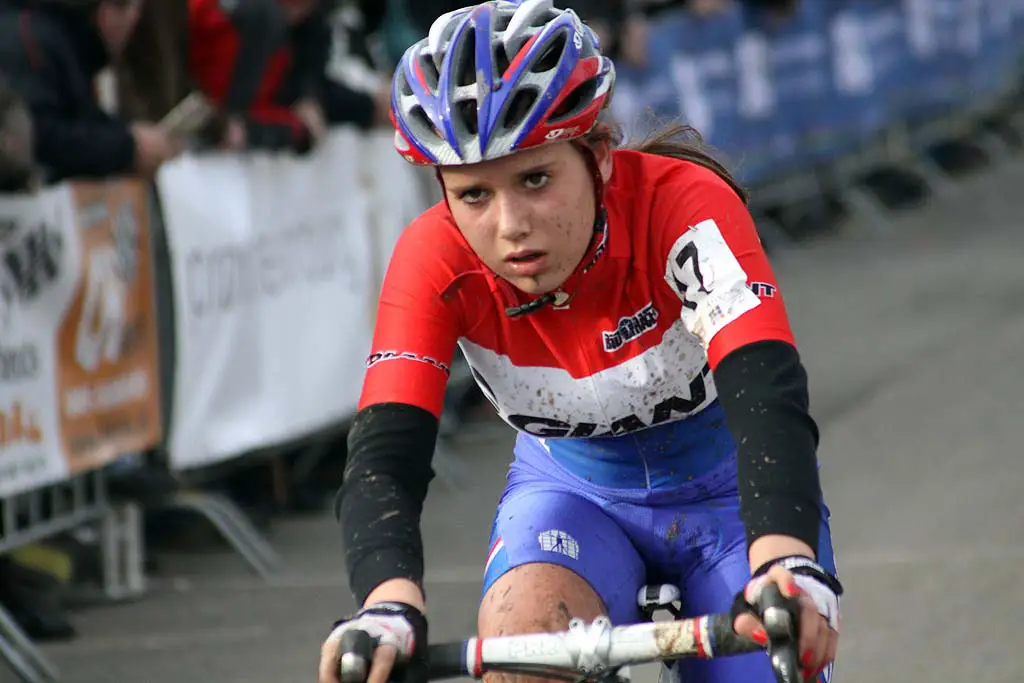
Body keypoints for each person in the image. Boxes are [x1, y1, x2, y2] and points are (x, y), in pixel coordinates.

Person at [320, 2, 842, 683]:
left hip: (728, 491)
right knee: (520, 648)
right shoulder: (431, 256)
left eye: (535, 179)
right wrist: (387, 605)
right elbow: (385, 453)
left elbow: (766, 389)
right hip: (573, 496)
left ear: (597, 155)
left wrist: (783, 560)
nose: (510, 226)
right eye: (473, 194)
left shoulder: (685, 205)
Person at [0, 0, 182, 183]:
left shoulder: (56, 37)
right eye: (131, 10)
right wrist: (126, 148)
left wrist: (127, 139)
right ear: (106, 11)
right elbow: (37, 134)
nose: (133, 21)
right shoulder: (31, 39)